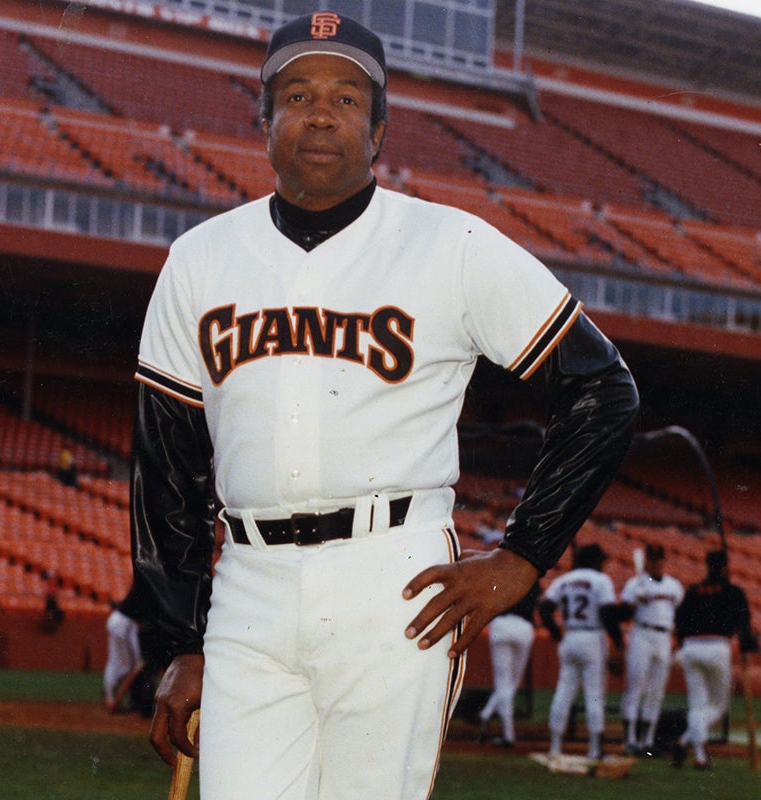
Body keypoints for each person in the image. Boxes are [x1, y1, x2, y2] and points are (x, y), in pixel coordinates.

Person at [129, 11, 639, 800]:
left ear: (379, 132)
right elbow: (166, 464)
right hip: (248, 589)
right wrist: (179, 642)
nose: (321, 112)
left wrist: (523, 555)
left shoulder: (452, 243)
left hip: (394, 582)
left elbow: (602, 387)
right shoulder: (198, 259)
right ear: (265, 122)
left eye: (347, 98)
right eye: (296, 95)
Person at [672, 548, 758, 770]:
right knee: (719, 705)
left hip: (690, 648)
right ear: (725, 567)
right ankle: (689, 744)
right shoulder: (733, 591)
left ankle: (694, 750)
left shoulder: (694, 590)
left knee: (697, 704)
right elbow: (744, 624)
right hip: (717, 647)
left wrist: (685, 647)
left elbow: (679, 622)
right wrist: (746, 652)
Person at [538, 543, 622, 761]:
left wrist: (556, 633)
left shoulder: (563, 580)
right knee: (594, 694)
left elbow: (544, 608)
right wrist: (618, 643)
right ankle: (595, 749)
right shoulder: (601, 580)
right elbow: (607, 613)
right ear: (595, 561)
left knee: (564, 691)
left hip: (571, 635)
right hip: (592, 636)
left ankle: (555, 747)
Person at [616, 543, 684, 756]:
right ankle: (629, 741)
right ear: (646, 561)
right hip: (641, 634)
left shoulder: (674, 586)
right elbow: (624, 612)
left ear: (664, 561)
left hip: (664, 637)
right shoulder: (635, 584)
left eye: (659, 559)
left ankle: (646, 742)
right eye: (652, 559)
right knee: (635, 686)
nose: (656, 563)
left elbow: (679, 613)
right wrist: (635, 600)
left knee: (656, 691)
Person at [477, 582, 540, 747]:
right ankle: (506, 733)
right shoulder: (532, 575)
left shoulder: (501, 571)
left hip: (501, 624)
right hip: (523, 626)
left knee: (504, 681)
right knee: (512, 682)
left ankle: (488, 715)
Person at [104, 588, 147, 713]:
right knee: (135, 665)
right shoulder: (150, 588)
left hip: (115, 619)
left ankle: (111, 697)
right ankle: (114, 701)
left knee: (116, 662)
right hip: (125, 623)